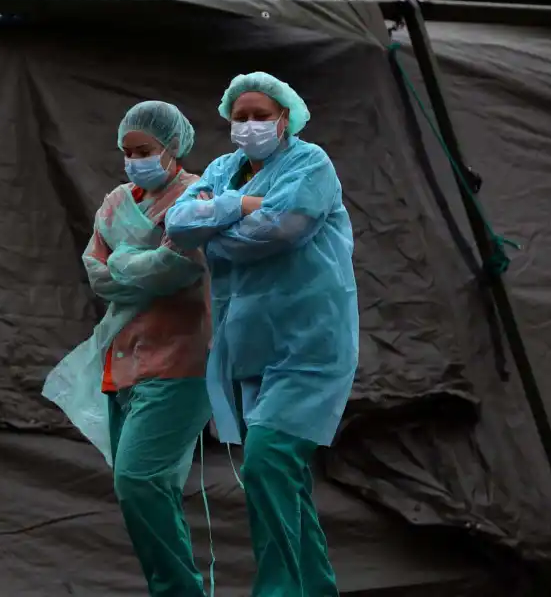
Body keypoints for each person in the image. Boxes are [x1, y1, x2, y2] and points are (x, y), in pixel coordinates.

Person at [165, 72, 358, 597]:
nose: (249, 125)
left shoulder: (310, 164)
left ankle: (277, 591)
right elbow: (179, 225)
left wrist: (217, 230)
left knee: (269, 458)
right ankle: (313, 589)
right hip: (250, 344)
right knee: (283, 481)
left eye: (261, 115)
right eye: (240, 115)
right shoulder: (225, 169)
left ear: (286, 118)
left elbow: (279, 230)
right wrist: (240, 205)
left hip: (310, 342)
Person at [43, 101, 213, 597]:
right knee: (143, 489)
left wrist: (125, 261)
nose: (134, 159)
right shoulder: (118, 200)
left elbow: (177, 268)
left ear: (174, 146)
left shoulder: (198, 195)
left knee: (139, 482)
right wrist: (140, 262)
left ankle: (179, 591)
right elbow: (96, 270)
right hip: (123, 364)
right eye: (128, 151)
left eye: (145, 150)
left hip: (179, 361)